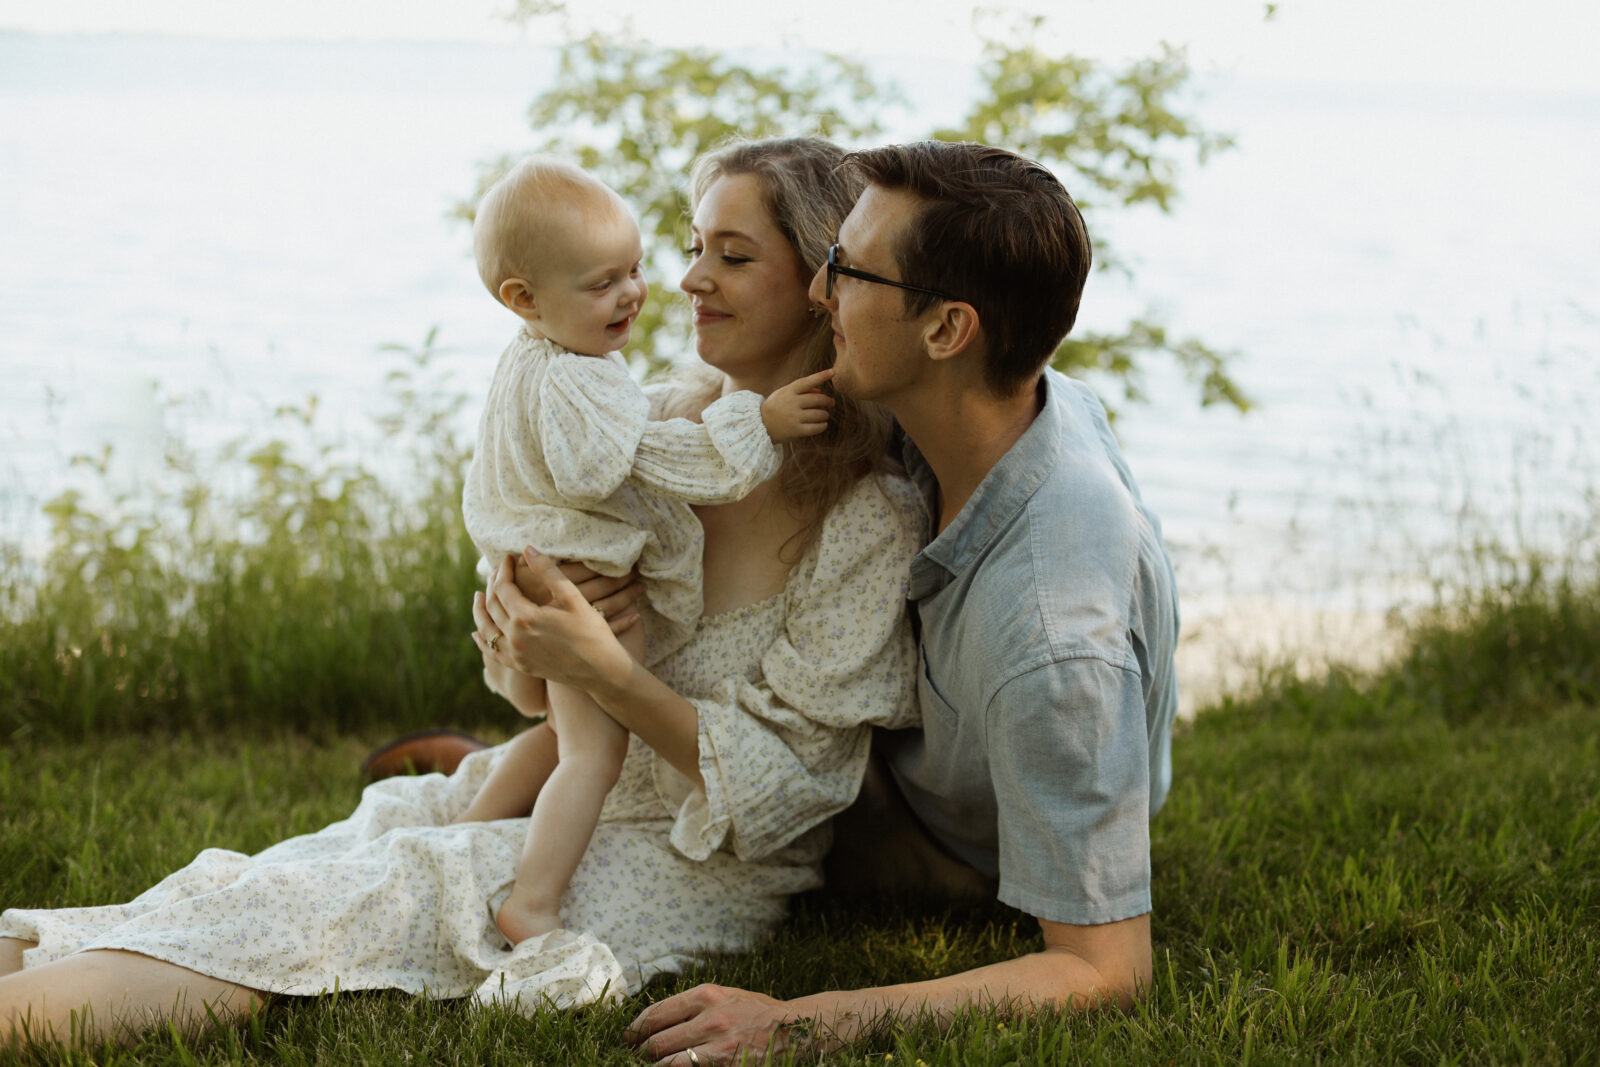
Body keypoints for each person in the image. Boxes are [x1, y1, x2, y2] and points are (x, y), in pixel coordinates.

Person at [0, 136, 921, 1046]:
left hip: (683, 860)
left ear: (820, 285)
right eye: (691, 247)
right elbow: (542, 701)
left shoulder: (862, 518)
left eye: (733, 255)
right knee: (274, 874)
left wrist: (608, 671)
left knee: (340, 905)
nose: (686, 281)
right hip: (558, 785)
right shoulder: (653, 428)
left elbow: (790, 791)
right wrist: (520, 640)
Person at [621, 140, 1180, 1065]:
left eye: (846, 270)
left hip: (938, 842)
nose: (816, 292)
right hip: (894, 742)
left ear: (946, 330)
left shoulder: (1051, 635)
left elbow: (1104, 968)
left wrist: (801, 1019)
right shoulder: (998, 396)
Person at [453, 156, 834, 945]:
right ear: (523, 298)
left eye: (634, 269)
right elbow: (633, 460)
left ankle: (462, 835)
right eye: (604, 283)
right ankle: (532, 899)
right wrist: (755, 423)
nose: (653, 288)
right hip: (575, 579)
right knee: (588, 751)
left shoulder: (537, 356)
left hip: (547, 566)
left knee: (562, 736)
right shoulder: (591, 385)